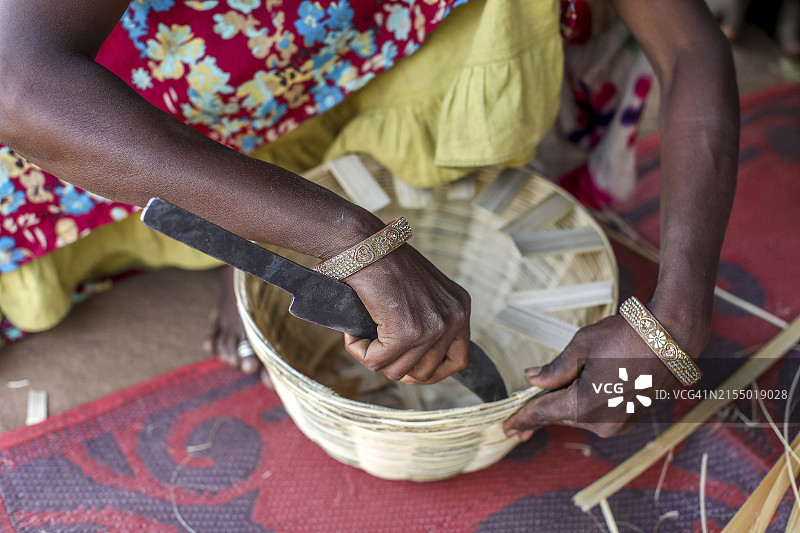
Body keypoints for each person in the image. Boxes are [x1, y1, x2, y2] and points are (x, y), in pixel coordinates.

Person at [0, 0, 738, 438]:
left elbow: (688, 44)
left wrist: (676, 322)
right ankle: (263, 207)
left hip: (368, 46)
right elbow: (20, 87)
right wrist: (347, 236)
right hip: (165, 78)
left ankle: (291, 202)